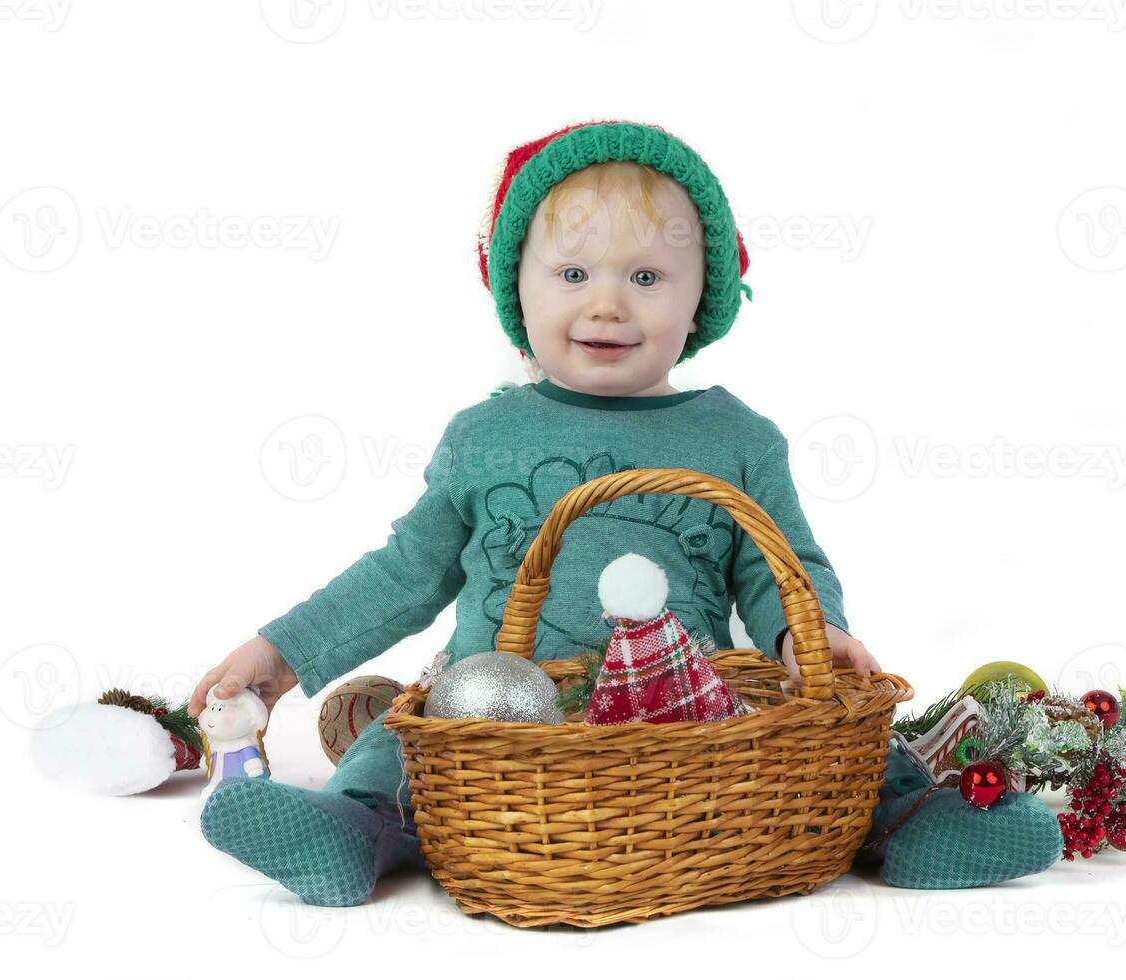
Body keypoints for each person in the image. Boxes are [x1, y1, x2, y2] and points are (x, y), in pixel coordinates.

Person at [189, 120, 1055, 907]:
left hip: (682, 719)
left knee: (833, 739)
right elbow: (404, 573)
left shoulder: (737, 438)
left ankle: (912, 822)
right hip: (493, 722)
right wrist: (280, 654)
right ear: (514, 288)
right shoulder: (484, 434)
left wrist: (804, 636)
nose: (606, 304)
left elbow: (779, 564)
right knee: (398, 741)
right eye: (571, 274)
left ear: (700, 297)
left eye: (646, 276)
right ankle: (351, 831)